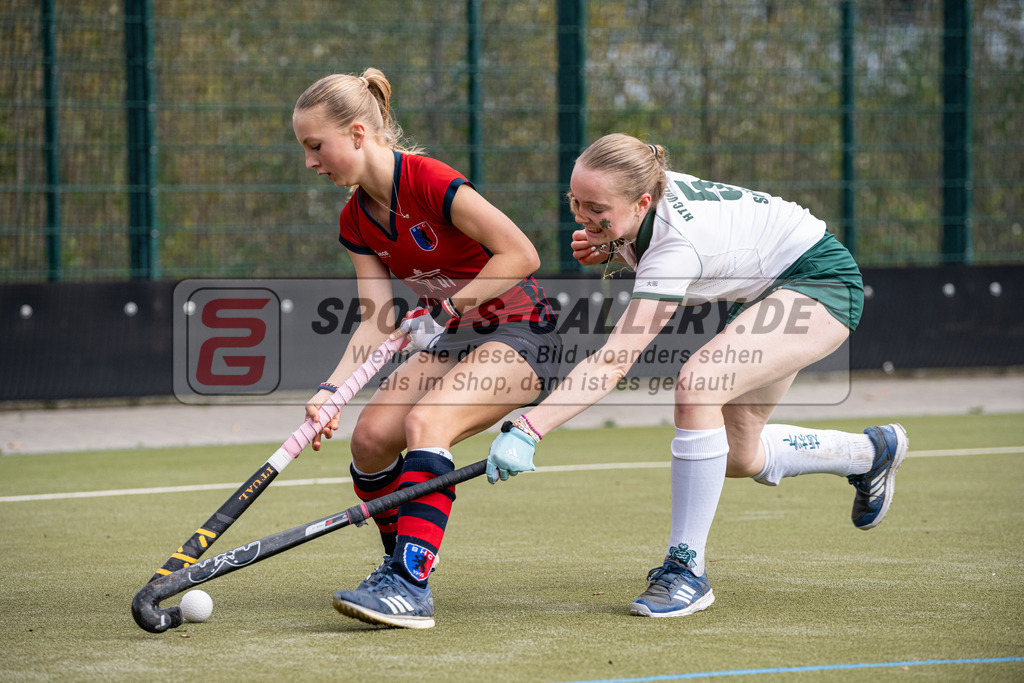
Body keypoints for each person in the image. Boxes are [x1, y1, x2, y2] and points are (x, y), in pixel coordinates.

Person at [486, 133, 908, 618]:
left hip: (819, 282)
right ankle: (869, 453)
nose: (581, 215)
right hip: (766, 290)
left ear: (643, 201)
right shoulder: (644, 195)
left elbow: (614, 360)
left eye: (595, 206)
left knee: (698, 382)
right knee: (739, 455)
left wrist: (530, 427)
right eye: (574, 200)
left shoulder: (674, 245)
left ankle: (686, 569)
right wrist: (611, 241)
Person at [293, 68, 560, 629]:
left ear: (360, 133)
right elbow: (375, 319)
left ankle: (410, 582)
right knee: (369, 442)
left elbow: (521, 254)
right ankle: (395, 565)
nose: (312, 162)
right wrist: (331, 392)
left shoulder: (430, 181)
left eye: (317, 146)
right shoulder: (354, 220)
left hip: (519, 331)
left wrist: (446, 307)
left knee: (428, 424)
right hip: (451, 337)